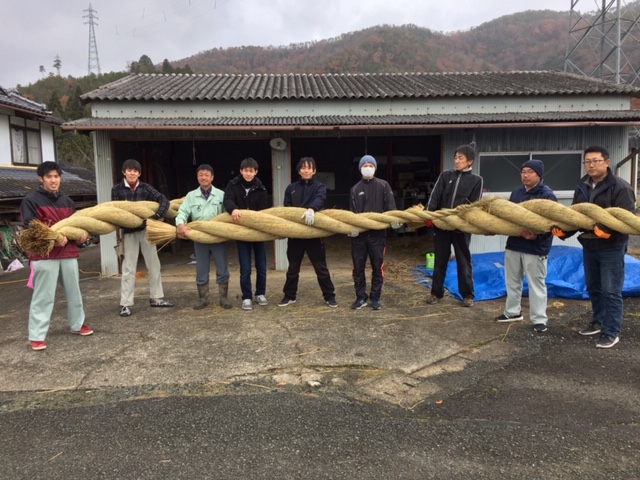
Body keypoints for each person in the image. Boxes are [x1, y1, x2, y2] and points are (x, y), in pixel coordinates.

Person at [553, 146, 636, 348]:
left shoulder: (620, 187)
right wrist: (565, 232)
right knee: (594, 288)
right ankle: (598, 321)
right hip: (590, 244)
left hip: (611, 247)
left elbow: (627, 220)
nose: (591, 165)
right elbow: (576, 217)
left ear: (607, 162)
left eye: (595, 161)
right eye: (587, 161)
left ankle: (611, 331)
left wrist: (608, 231)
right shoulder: (582, 185)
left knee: (611, 290)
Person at [20, 161, 93, 351]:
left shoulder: (67, 201)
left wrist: (81, 238)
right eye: (49, 177)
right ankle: (37, 335)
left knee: (74, 292)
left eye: (56, 177)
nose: (53, 180)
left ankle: (78, 324)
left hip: (68, 253)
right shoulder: (30, 200)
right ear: (41, 179)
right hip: (44, 256)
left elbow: (76, 226)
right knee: (44, 296)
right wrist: (54, 238)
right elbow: (30, 227)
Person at [495, 160, 557, 332]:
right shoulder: (517, 193)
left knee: (536, 284)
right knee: (512, 281)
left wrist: (537, 236)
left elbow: (553, 223)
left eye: (530, 172)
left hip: (536, 248)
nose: (525, 175)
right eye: (523, 172)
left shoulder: (547, 195)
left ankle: (539, 319)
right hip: (514, 244)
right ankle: (513, 312)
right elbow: (509, 218)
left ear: (539, 174)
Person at [111, 159, 173, 317]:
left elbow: (163, 200)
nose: (132, 173)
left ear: (139, 173)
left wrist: (156, 216)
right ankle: (125, 304)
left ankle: (156, 298)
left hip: (146, 230)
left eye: (135, 171)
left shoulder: (145, 188)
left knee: (154, 265)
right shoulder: (117, 190)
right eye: (129, 170)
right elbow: (116, 211)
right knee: (128, 268)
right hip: (129, 233)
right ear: (124, 172)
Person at [425, 144, 483, 307]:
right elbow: (435, 195)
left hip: (460, 229)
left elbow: (474, 206)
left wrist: (462, 224)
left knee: (463, 260)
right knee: (440, 260)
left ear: (469, 161)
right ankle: (436, 293)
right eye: (455, 157)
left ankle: (467, 295)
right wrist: (429, 215)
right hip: (442, 226)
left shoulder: (476, 181)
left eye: (461, 158)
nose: (456, 161)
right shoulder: (445, 176)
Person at [279, 157, 337, 307]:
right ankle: (289, 295)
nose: (306, 170)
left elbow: (320, 199)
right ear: (299, 170)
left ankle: (329, 296)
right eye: (303, 168)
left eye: (309, 168)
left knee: (321, 268)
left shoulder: (319, 187)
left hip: (313, 235)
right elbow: (287, 208)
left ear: (314, 170)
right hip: (295, 235)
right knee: (293, 268)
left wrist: (312, 209)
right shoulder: (291, 188)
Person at [176, 164, 232, 310]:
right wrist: (180, 224)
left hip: (218, 238)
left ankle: (223, 298)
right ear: (197, 177)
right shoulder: (191, 196)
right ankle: (203, 299)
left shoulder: (221, 195)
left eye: (207, 175)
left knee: (222, 268)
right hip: (200, 239)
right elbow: (182, 212)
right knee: (201, 269)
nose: (204, 177)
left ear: (212, 177)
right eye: (201, 175)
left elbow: (228, 213)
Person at [349, 155, 400, 310]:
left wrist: (394, 219)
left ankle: (375, 297)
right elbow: (352, 214)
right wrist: (353, 230)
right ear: (360, 168)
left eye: (371, 164)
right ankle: (360, 297)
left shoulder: (384, 186)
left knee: (378, 267)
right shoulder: (355, 189)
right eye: (365, 165)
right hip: (360, 238)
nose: (368, 167)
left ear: (375, 168)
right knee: (358, 267)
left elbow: (391, 207)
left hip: (378, 236)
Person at [223, 157, 269, 310]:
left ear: (255, 172)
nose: (248, 174)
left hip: (258, 232)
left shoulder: (261, 188)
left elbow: (262, 212)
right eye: (246, 170)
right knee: (245, 267)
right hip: (241, 232)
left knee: (261, 266)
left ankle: (260, 293)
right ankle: (247, 297)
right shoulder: (233, 185)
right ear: (241, 171)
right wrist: (233, 209)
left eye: (251, 171)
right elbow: (227, 200)